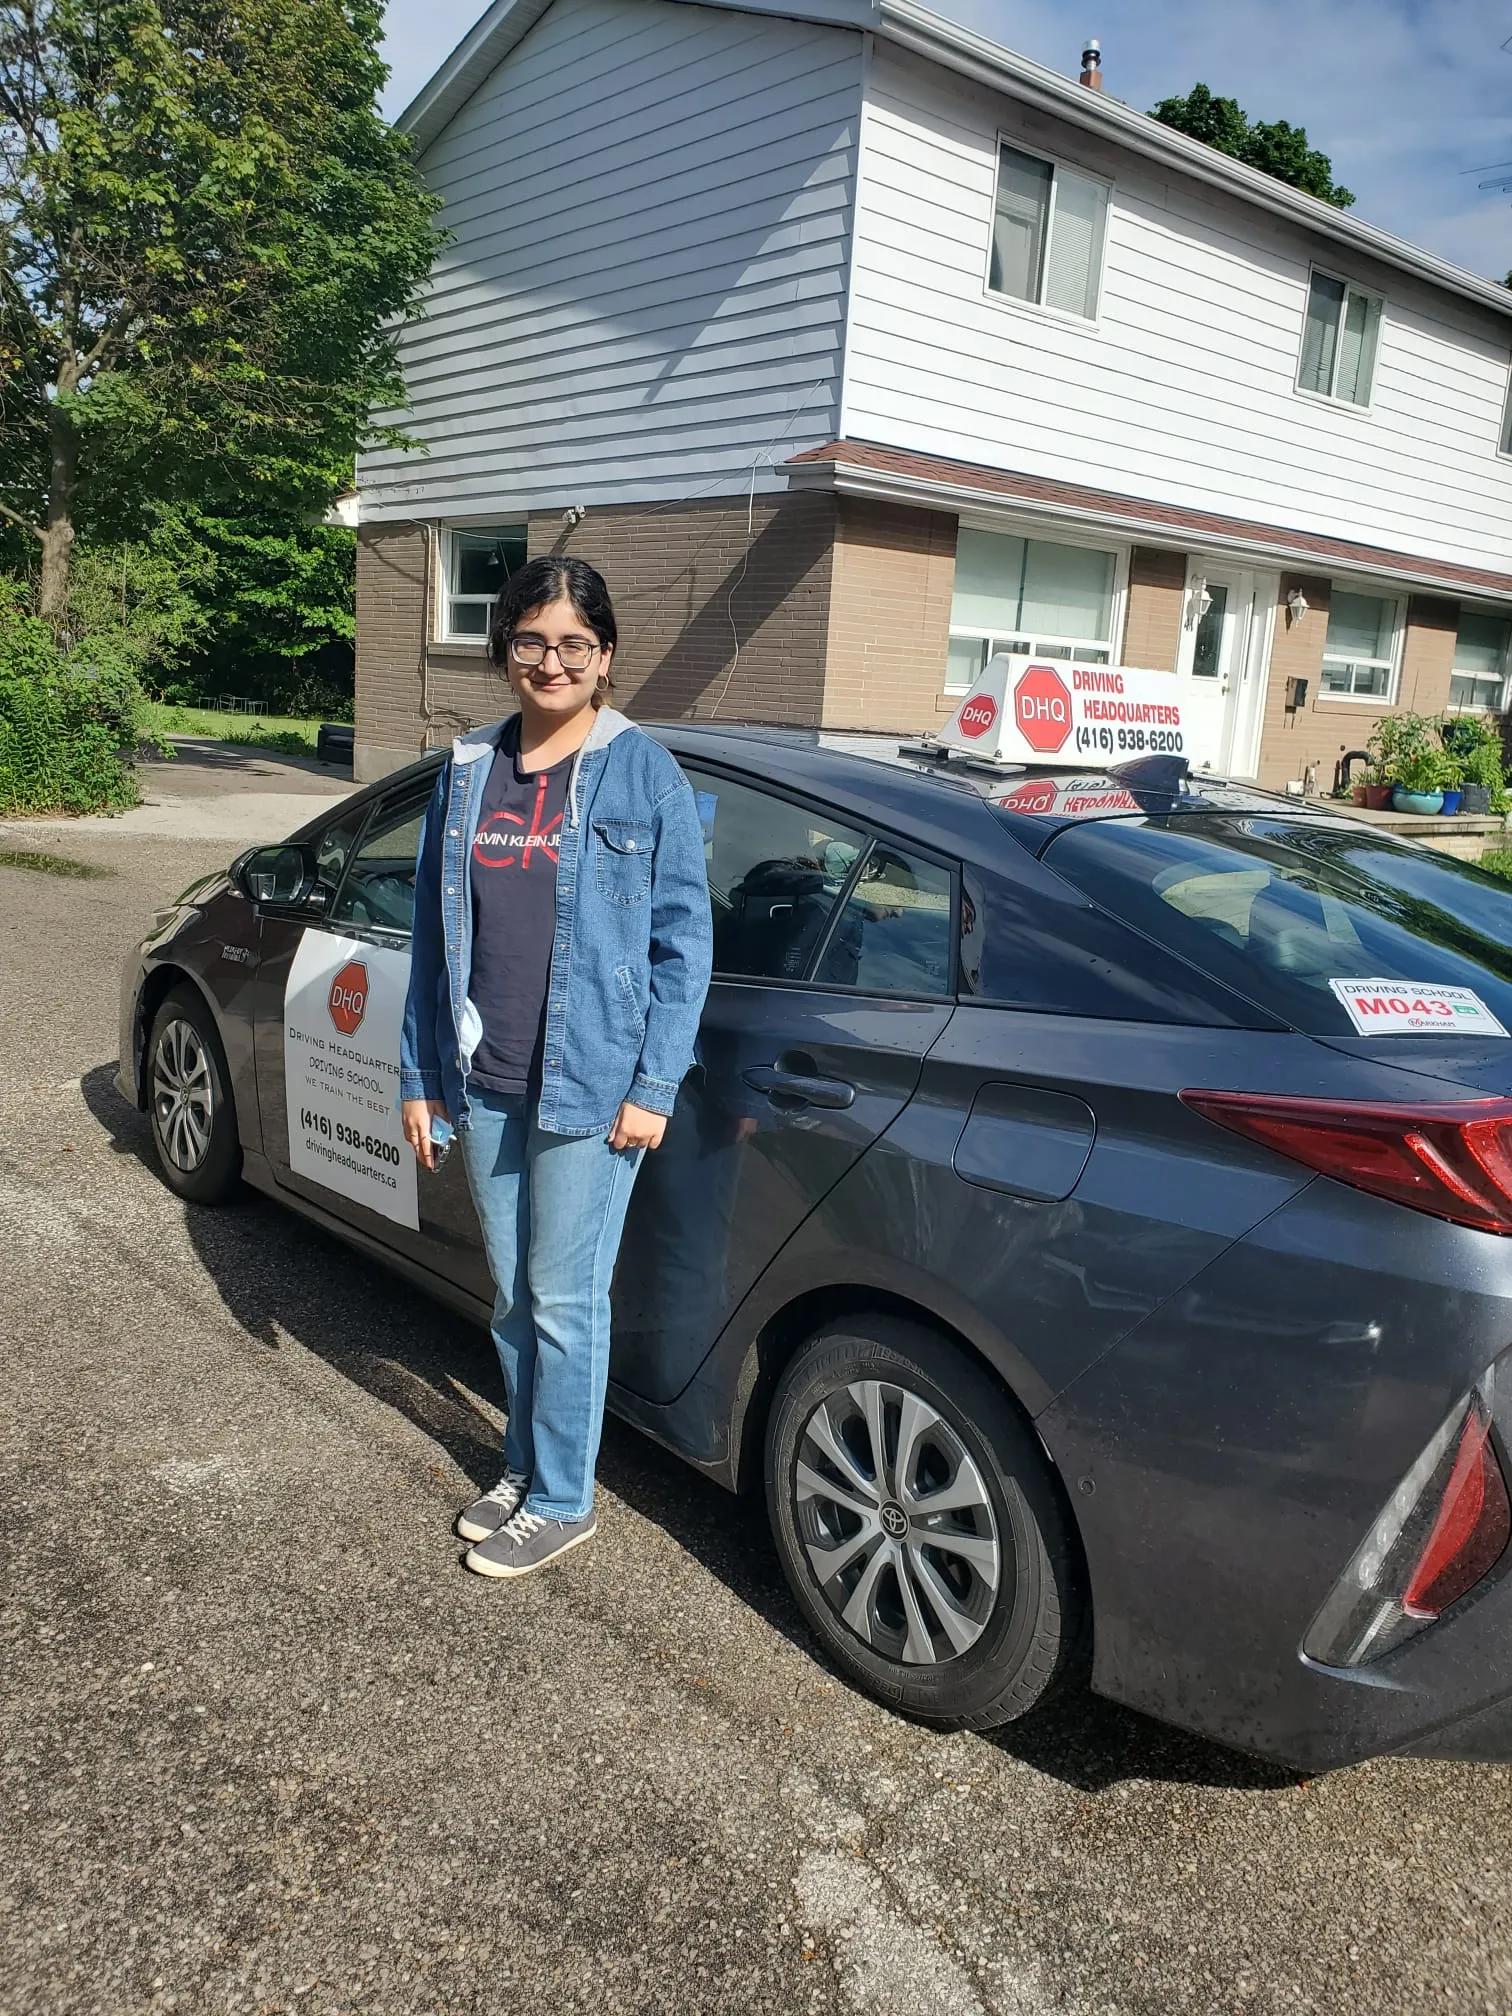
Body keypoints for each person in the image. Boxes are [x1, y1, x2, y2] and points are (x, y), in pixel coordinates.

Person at [399, 555, 713, 1580]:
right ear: (505, 649)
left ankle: (567, 1498)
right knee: (511, 1297)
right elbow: (433, 942)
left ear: (605, 656)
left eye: (574, 643)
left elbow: (684, 942)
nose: (551, 661)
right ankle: (528, 1468)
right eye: (531, 640)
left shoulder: (640, 772)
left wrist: (651, 1086)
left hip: (592, 1086)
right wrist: (420, 1076)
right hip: (486, 1077)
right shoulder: (467, 772)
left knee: (565, 1298)